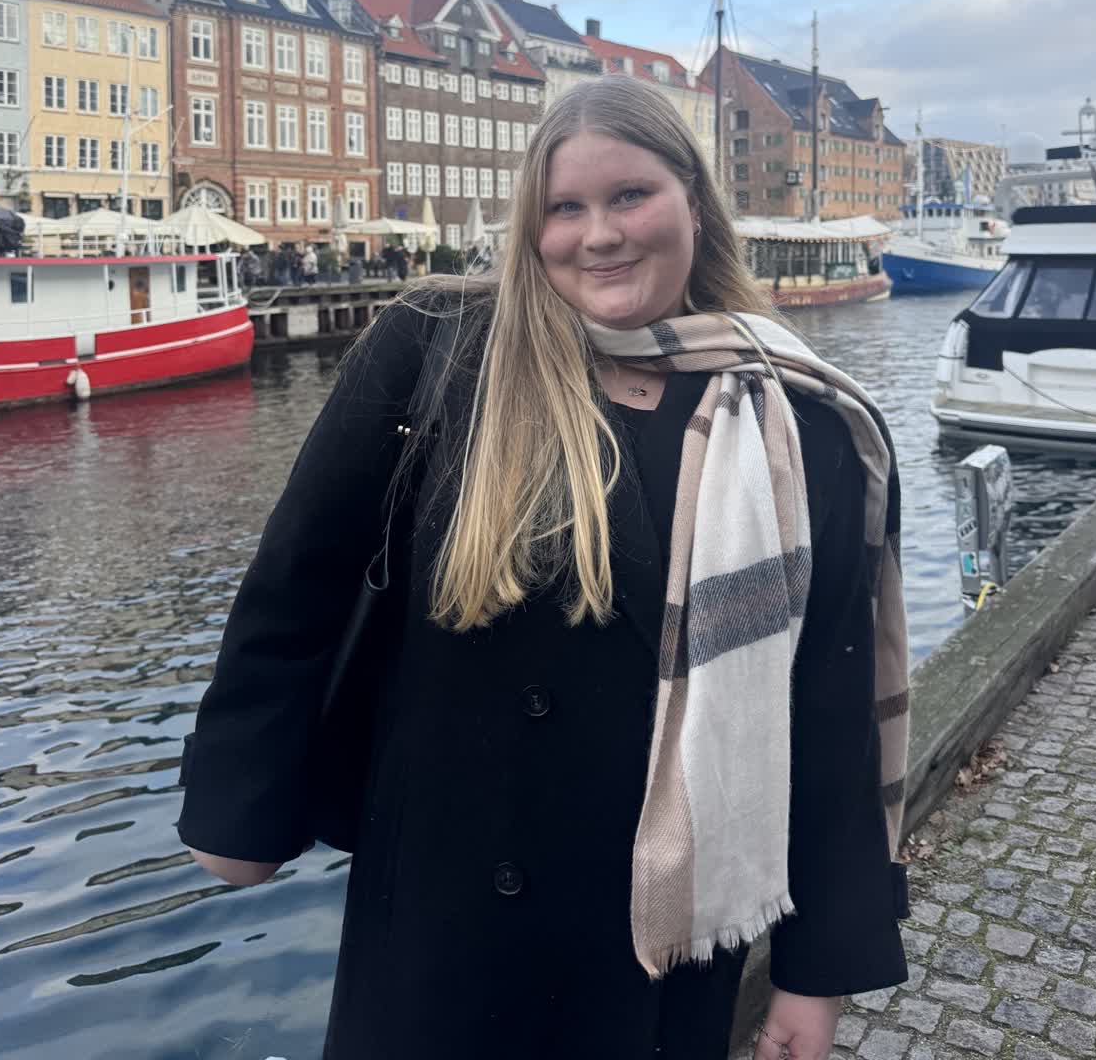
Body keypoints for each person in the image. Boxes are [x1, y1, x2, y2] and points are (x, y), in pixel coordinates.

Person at [178, 76, 909, 1060]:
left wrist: (814, 973)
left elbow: (825, 713)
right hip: (437, 919)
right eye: (564, 207)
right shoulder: (436, 354)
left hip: (653, 945)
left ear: (693, 197)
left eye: (629, 196)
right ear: (532, 225)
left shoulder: (801, 421)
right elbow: (295, 588)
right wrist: (243, 805)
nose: (597, 234)